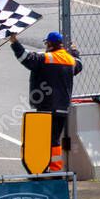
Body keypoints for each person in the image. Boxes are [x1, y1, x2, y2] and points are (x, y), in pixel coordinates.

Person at [9, 30, 82, 172]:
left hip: (46, 106)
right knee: (55, 140)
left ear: (49, 44)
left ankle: (42, 168)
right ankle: (55, 169)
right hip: (62, 108)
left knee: (42, 140)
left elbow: (25, 58)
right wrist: (74, 51)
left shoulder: (45, 58)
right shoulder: (70, 60)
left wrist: (14, 42)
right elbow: (79, 64)